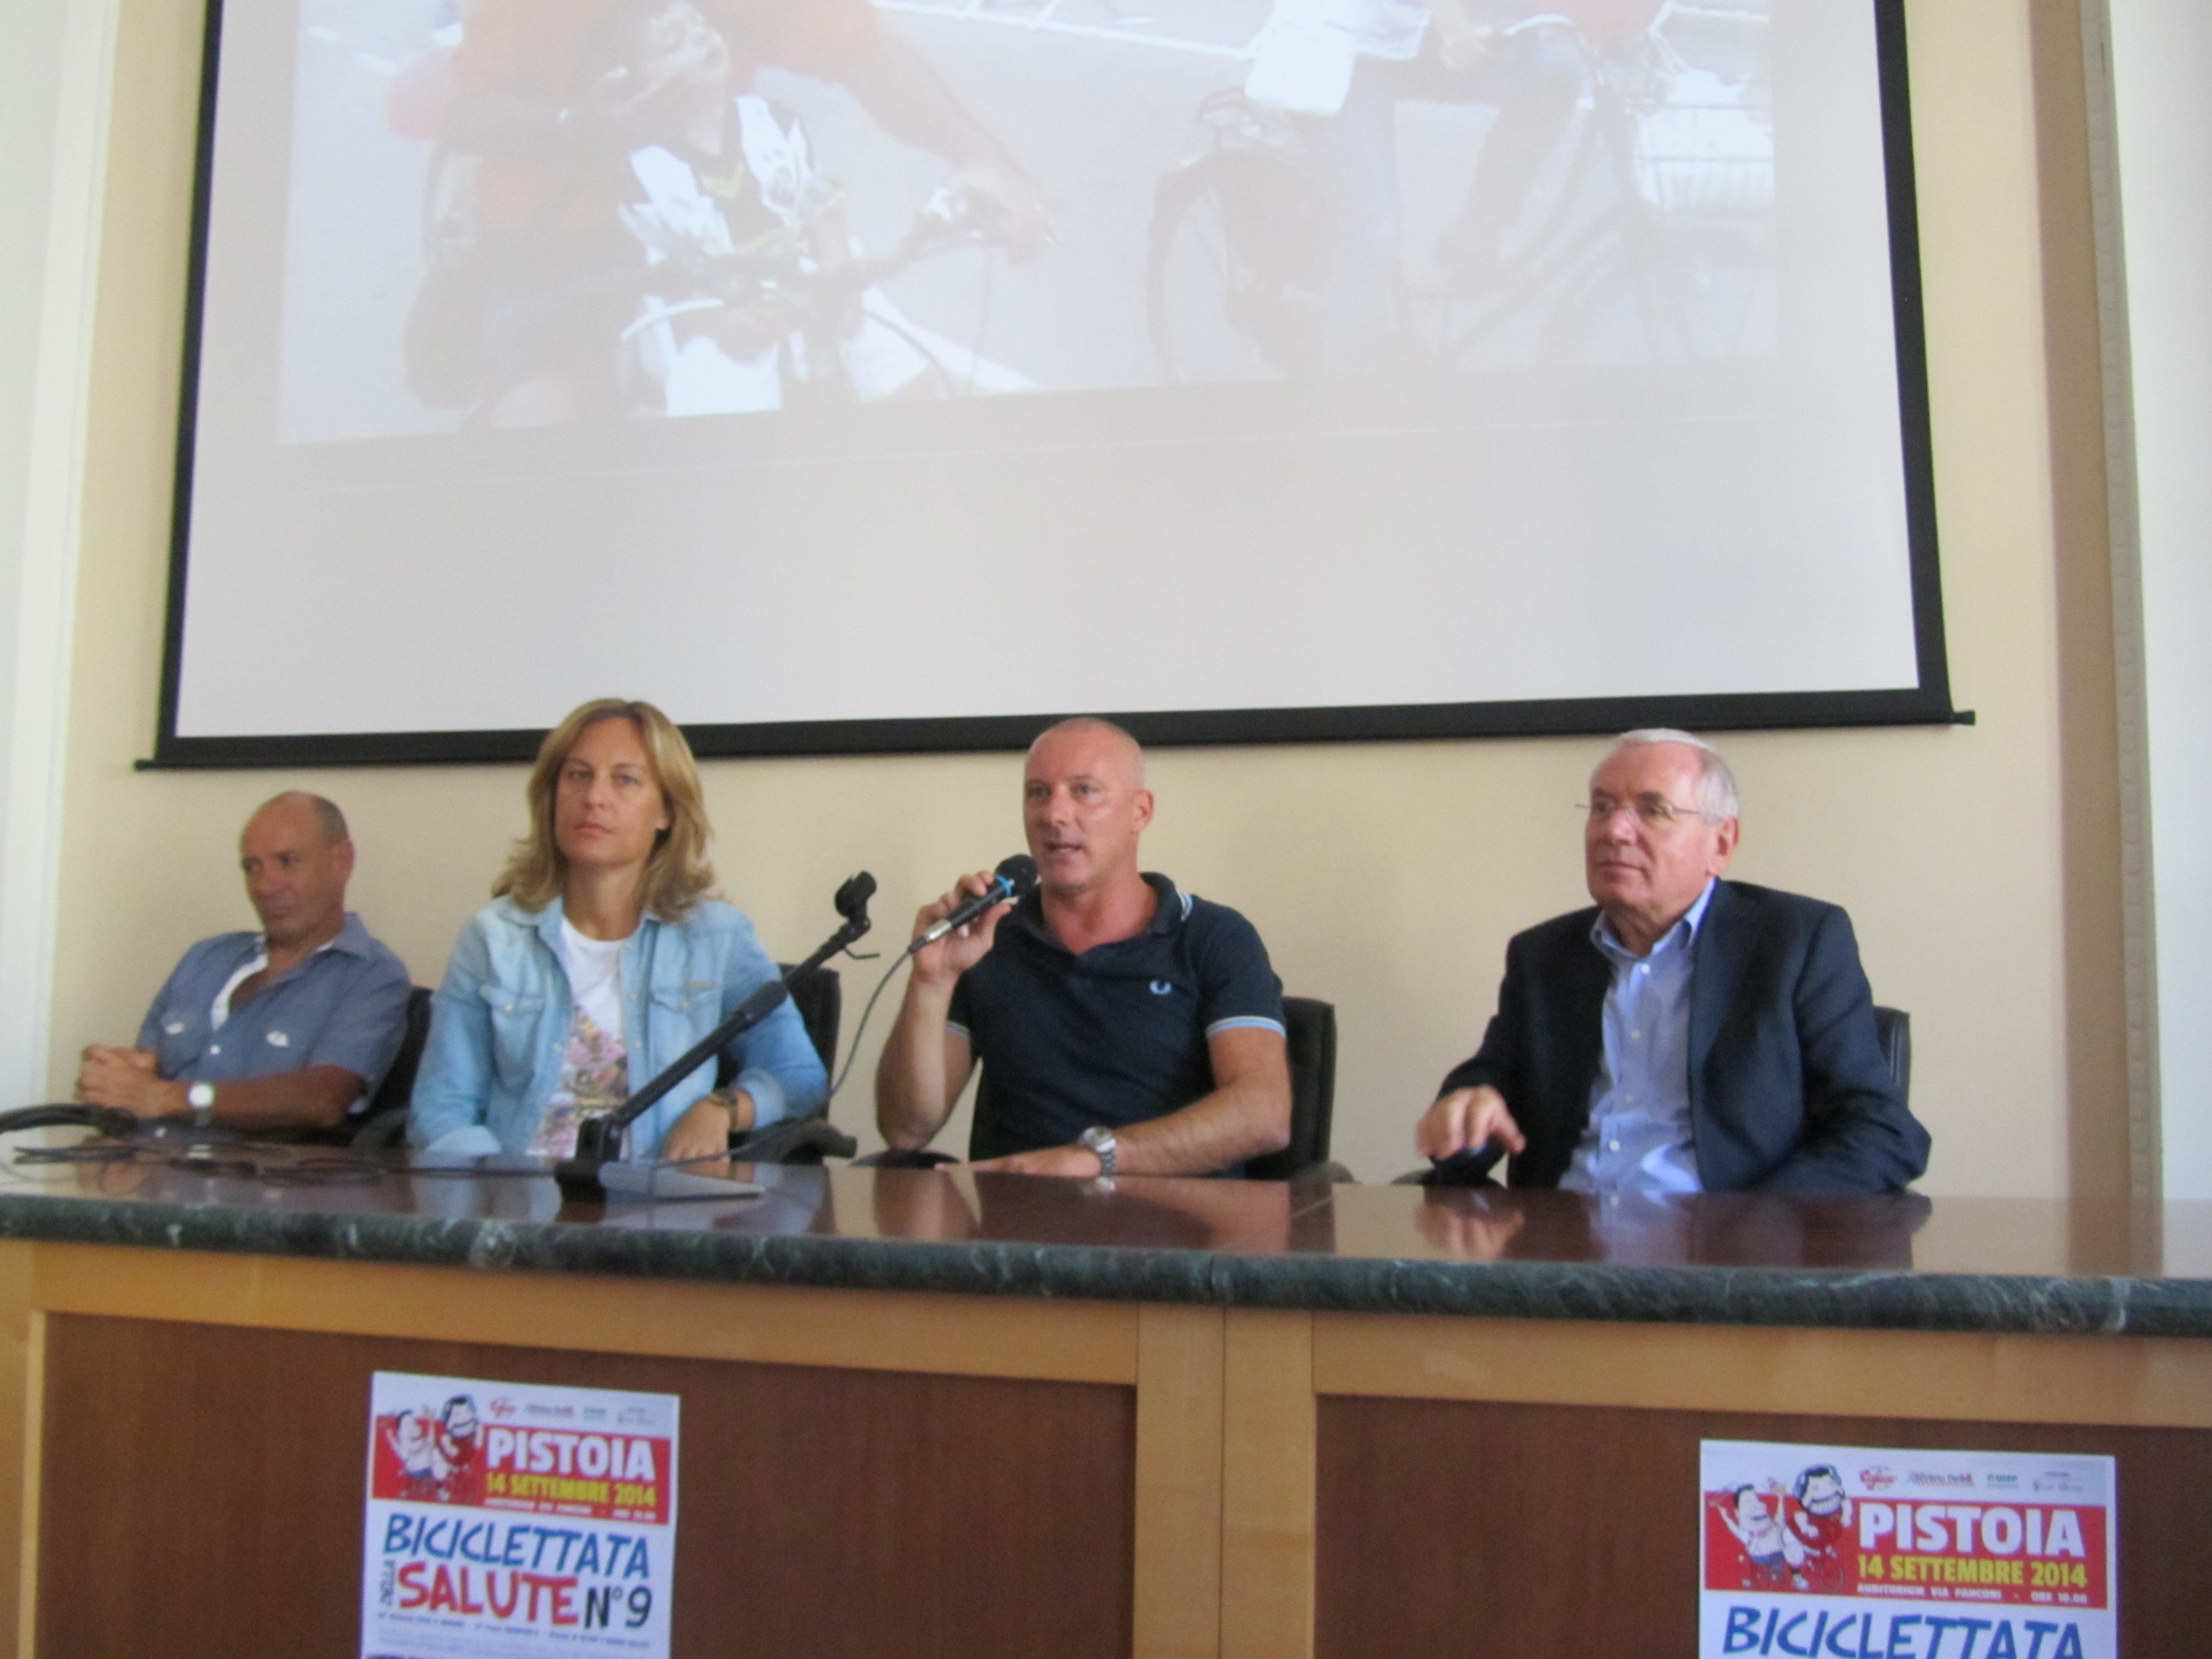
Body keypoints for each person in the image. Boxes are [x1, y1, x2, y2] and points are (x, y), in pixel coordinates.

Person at [1416, 729, 1930, 1194]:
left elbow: (1883, 1132)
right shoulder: (1544, 956)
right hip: (1561, 1244)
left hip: (1726, 1249)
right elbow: (1486, 1092)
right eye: (1602, 807)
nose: (1615, 830)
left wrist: (1758, 1223)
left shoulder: (1795, 942)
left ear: (1721, 843)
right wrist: (1464, 1119)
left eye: (1653, 810)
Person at [408, 698, 825, 1162]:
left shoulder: (715, 937)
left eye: (625, 780)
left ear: (666, 811)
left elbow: (798, 1075)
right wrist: (495, 1186)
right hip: (514, 1194)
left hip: (657, 1196)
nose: (594, 798)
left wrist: (722, 1109)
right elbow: (440, 1106)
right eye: (578, 776)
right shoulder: (494, 936)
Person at [876, 718, 1290, 1178]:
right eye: (1038, 793)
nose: (1054, 814)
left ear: (1140, 813)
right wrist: (932, 981)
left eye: (1084, 791)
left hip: (1175, 1216)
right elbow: (907, 1130)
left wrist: (1096, 1158)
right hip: (1017, 1217)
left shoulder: (1214, 938)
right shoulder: (987, 939)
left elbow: (1264, 1113)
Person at [73, 793, 412, 1133]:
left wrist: (166, 1098)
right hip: (143, 1156)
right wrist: (111, 1077)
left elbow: (322, 1101)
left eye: (287, 861)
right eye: (252, 867)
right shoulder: (204, 958)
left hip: (253, 1165)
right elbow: (142, 1076)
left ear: (342, 861)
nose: (265, 886)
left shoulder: (372, 976)